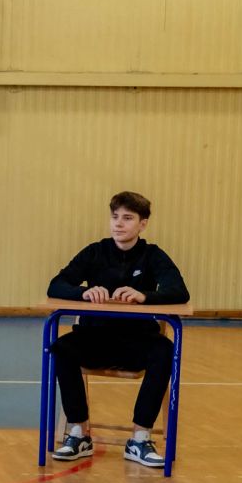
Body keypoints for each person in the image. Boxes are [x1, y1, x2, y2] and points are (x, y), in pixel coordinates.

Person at [47, 191, 190, 468]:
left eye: (127, 218)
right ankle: (78, 433)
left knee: (164, 350)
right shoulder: (94, 252)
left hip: (136, 340)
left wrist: (145, 296)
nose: (119, 224)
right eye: (115, 217)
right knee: (62, 348)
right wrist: (84, 293)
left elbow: (179, 291)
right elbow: (56, 285)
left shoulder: (153, 255)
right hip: (95, 338)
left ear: (142, 224)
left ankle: (140, 438)